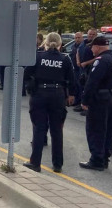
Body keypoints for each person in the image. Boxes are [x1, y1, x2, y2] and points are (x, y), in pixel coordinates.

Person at [22, 33, 75, 173]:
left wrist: (31, 85)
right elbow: (73, 79)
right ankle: (57, 164)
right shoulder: (65, 59)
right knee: (57, 130)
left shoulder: (38, 56)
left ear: (45, 43)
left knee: (39, 129)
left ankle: (35, 163)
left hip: (40, 94)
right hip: (58, 95)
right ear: (60, 44)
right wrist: (72, 95)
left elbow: (26, 74)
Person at [79, 36, 112, 171]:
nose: (92, 50)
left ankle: (96, 160)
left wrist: (85, 101)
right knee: (109, 129)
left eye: (92, 47)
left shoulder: (101, 61)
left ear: (98, 47)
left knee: (96, 129)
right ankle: (105, 157)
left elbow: (92, 82)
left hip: (100, 98)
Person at [74, 29, 98, 113]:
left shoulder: (96, 44)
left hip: (91, 69)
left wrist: (86, 63)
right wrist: (78, 61)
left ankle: (88, 107)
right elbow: (77, 51)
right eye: (89, 34)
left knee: (88, 88)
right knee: (81, 86)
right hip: (82, 69)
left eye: (93, 34)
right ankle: (82, 104)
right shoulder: (83, 43)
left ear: (96, 35)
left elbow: (98, 57)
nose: (91, 35)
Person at [69, 32, 84, 107]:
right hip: (74, 68)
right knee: (75, 85)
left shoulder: (83, 46)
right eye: (76, 38)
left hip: (80, 69)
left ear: (82, 38)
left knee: (80, 86)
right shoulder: (73, 46)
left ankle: (79, 102)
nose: (77, 39)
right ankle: (76, 101)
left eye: (79, 37)